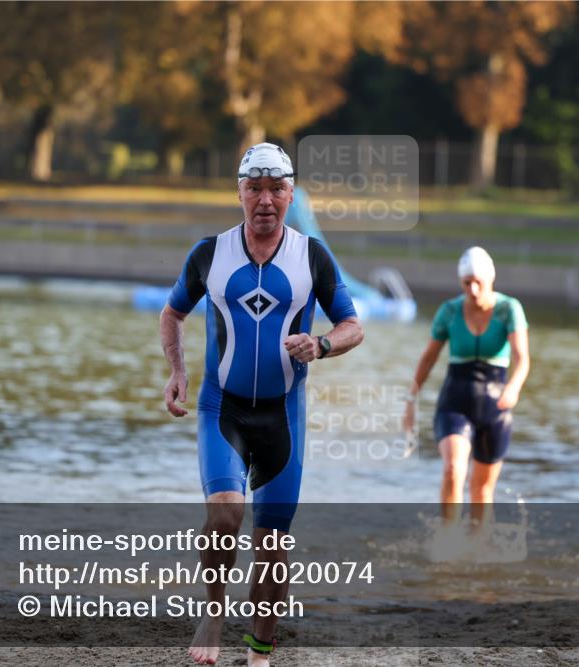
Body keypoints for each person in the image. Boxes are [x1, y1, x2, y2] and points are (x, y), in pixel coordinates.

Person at [160, 142, 364, 666]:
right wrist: (179, 372)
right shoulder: (209, 253)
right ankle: (213, 611)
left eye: (276, 189)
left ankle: (260, 653)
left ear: (291, 194)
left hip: (283, 416)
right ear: (240, 194)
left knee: (272, 546)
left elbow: (352, 326)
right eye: (255, 189)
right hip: (221, 409)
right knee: (225, 514)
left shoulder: (312, 256)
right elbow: (172, 314)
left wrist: (319, 345)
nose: (266, 201)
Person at [403, 247, 530, 528]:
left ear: (491, 279)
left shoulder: (509, 309)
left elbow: (522, 357)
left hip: (496, 407)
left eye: (478, 282)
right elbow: (429, 357)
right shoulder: (449, 311)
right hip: (455, 403)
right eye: (466, 283)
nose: (472, 289)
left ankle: (477, 545)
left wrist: (514, 387)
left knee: (482, 490)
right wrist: (410, 399)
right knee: (453, 468)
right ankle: (449, 539)